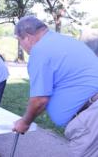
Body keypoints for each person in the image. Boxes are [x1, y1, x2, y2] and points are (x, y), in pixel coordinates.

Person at [12, 16, 98, 157]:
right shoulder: (65, 41)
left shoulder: (40, 51)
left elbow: (39, 100)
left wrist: (24, 122)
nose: (22, 46)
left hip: (90, 119)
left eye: (19, 41)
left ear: (27, 37)